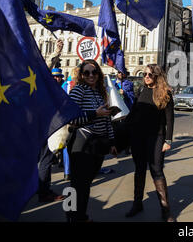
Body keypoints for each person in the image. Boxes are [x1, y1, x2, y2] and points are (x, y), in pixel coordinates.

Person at [66, 59, 117, 222]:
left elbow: (106, 120)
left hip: (98, 145)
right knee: (75, 185)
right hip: (81, 144)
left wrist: (112, 142)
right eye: (86, 72)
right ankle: (71, 216)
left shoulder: (99, 92)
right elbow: (70, 118)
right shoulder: (78, 90)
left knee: (85, 184)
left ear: (99, 74)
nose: (91, 75)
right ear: (81, 75)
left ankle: (80, 216)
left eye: (94, 72)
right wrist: (95, 114)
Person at [124, 64, 175, 222]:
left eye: (150, 74)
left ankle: (166, 211)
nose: (146, 77)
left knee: (157, 170)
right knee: (139, 169)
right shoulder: (141, 90)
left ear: (157, 76)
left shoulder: (165, 93)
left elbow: (169, 119)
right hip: (138, 137)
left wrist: (168, 140)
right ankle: (137, 203)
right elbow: (133, 113)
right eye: (145, 74)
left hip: (157, 136)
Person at [37, 40, 66, 203]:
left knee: (42, 160)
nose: (56, 79)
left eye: (58, 77)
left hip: (41, 126)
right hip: (44, 127)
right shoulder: (42, 83)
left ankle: (38, 188)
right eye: (54, 77)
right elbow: (46, 67)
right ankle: (43, 191)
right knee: (45, 160)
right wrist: (56, 52)